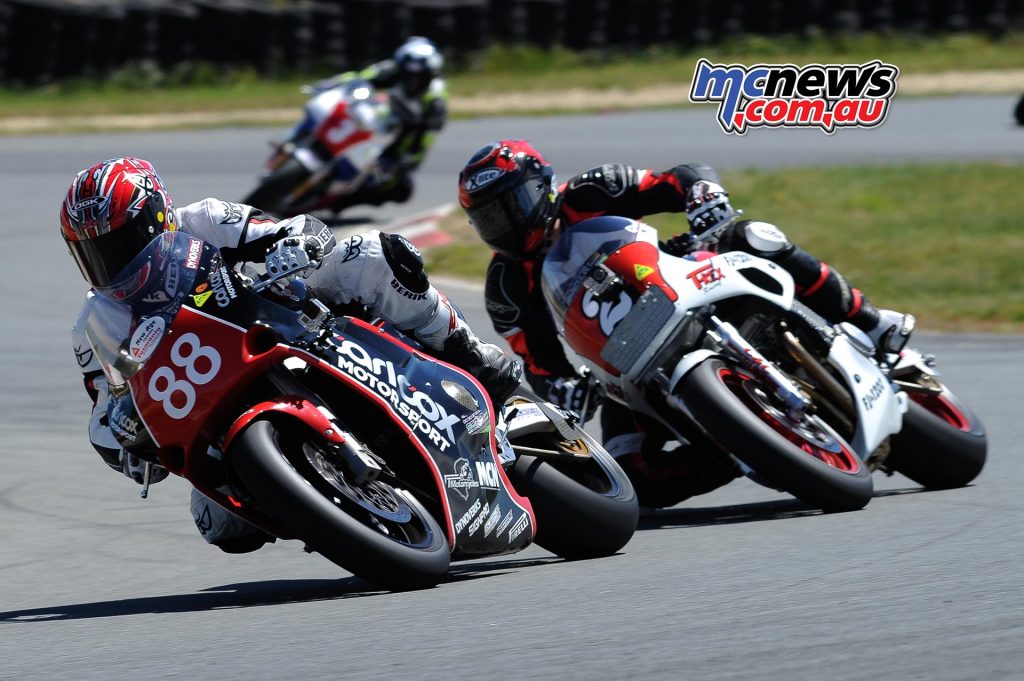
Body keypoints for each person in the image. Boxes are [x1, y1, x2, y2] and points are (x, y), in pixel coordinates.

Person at [63, 156, 521, 553]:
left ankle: (467, 352)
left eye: (119, 245)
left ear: (159, 218)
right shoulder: (95, 327)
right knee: (221, 526)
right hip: (214, 411)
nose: (111, 263)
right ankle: (331, 508)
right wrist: (123, 437)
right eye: (94, 253)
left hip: (284, 322)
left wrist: (294, 245)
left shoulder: (203, 220)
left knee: (370, 256)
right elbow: (105, 412)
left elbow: (295, 228)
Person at [457, 140, 915, 509]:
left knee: (753, 234)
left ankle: (871, 322)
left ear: (543, 187)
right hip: (622, 363)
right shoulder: (506, 288)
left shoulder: (592, 190)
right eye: (489, 218)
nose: (506, 224)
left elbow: (681, 177)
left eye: (512, 205)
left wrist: (703, 197)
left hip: (680, 279)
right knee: (631, 474)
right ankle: (738, 449)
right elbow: (537, 360)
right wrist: (561, 387)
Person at [303, 36, 447, 210]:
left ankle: (342, 199)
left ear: (431, 74)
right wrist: (329, 85)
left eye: (419, 76)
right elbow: (357, 78)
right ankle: (303, 138)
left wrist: (407, 161)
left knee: (401, 188)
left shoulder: (435, 97)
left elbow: (427, 136)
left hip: (398, 140)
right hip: (370, 118)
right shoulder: (389, 68)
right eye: (407, 74)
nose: (412, 80)